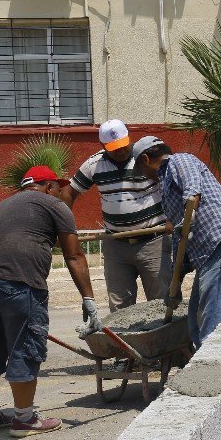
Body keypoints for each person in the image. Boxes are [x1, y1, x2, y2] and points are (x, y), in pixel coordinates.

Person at [0, 165, 100, 438]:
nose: (63, 193)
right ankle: (24, 418)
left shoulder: (1, 206)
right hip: (20, 283)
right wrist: (89, 299)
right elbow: (74, 256)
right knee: (25, 347)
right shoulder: (53, 204)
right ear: (48, 187)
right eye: (59, 187)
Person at [132, 137, 221, 348]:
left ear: (146, 159)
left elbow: (192, 189)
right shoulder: (166, 187)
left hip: (220, 247)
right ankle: (202, 368)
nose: (142, 175)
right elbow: (181, 237)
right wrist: (175, 284)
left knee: (213, 322)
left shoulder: (180, 160)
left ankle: (213, 374)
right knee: (195, 320)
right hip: (207, 257)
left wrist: (191, 211)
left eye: (139, 169)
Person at [59, 119, 171, 313]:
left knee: (161, 302)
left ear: (129, 138)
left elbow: (172, 183)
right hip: (116, 244)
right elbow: (68, 193)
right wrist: (64, 230)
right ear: (103, 146)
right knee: (120, 308)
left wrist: (172, 217)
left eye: (122, 145)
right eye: (113, 148)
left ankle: (165, 342)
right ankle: (124, 343)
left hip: (153, 242)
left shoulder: (146, 157)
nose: (120, 151)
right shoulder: (94, 164)